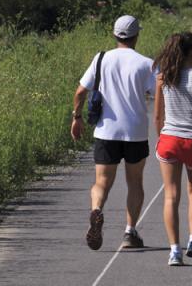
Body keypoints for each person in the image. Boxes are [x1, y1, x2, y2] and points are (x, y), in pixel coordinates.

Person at [71, 15, 155, 251]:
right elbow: (158, 92)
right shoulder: (146, 63)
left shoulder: (101, 59)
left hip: (106, 131)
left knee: (101, 183)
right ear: (137, 35)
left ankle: (97, 210)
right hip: (136, 132)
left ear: (115, 34)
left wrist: (76, 118)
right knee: (135, 182)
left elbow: (80, 92)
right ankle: (130, 232)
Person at [152, 32, 192, 266]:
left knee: (170, 195)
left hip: (169, 139)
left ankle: (174, 251)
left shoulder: (163, 77)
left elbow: (158, 115)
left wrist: (162, 137)